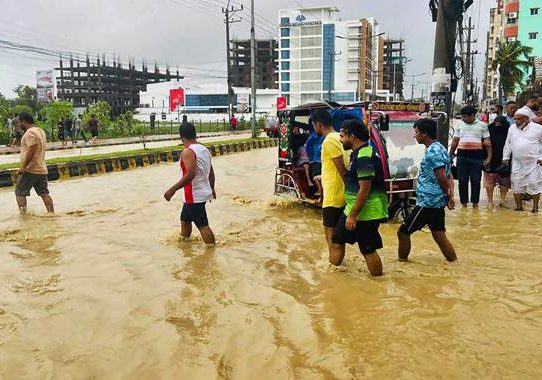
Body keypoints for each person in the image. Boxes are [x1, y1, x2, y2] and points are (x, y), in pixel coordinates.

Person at [329, 119, 386, 276]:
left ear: (352, 136)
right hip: (354, 209)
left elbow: (365, 189)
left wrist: (353, 215)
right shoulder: (359, 153)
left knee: (367, 249)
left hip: (366, 212)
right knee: (337, 239)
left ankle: (378, 283)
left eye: (342, 136)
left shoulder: (364, 157)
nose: (340, 140)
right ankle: (332, 277)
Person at [398, 118, 457, 262]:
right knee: (438, 234)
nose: (414, 135)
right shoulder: (441, 148)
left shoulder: (433, 152)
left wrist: (447, 194)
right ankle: (454, 262)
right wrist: (449, 195)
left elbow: (442, 176)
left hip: (428, 202)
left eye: (416, 132)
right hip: (436, 201)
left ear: (424, 134)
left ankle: (402, 264)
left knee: (403, 232)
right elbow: (449, 175)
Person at [164, 122, 216, 244]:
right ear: (195, 134)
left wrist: (172, 189)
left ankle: (211, 250)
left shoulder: (187, 152)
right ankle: (185, 244)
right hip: (198, 194)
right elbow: (211, 171)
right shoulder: (203, 149)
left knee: (203, 225)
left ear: (181, 137)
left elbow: (190, 174)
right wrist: (212, 189)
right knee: (185, 219)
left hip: (194, 195)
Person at [312, 109, 348, 264]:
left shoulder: (328, 141)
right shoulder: (339, 138)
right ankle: (338, 265)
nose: (314, 129)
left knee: (332, 238)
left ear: (319, 124)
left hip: (334, 197)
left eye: (313, 125)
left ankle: (333, 270)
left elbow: (342, 170)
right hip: (339, 195)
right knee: (338, 239)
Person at [449, 105, 492, 208]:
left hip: (477, 157)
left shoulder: (483, 126)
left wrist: (489, 158)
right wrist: (450, 154)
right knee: (462, 181)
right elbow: (455, 141)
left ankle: (475, 203)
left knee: (476, 180)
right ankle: (464, 204)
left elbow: (487, 143)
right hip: (462, 157)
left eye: (465, 116)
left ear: (472, 115)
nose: (463, 119)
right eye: (462, 116)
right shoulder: (460, 126)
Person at [502, 107, 542, 212]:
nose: (516, 121)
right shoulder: (512, 128)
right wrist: (505, 157)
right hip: (517, 162)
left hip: (534, 163)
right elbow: (508, 143)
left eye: (518, 119)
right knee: (516, 184)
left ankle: (535, 208)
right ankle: (519, 207)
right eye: (515, 118)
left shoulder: (538, 128)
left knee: (534, 184)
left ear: (526, 118)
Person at [15, 112, 54, 213]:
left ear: (24, 121)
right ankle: (51, 214)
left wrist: (23, 167)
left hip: (31, 169)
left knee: (20, 192)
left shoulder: (30, 133)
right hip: (41, 168)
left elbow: (32, 149)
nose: (19, 125)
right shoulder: (40, 131)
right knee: (44, 193)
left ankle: (24, 217)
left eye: (19, 123)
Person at [483, 116, 511, 208]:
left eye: (500, 124)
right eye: (496, 124)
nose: (497, 126)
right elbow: (483, 145)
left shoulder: (509, 132)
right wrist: (485, 159)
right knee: (489, 182)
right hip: (490, 161)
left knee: (504, 182)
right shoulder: (487, 132)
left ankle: (502, 200)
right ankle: (490, 201)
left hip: (505, 161)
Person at [305, 130, 323, 197]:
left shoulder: (313, 136)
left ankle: (320, 191)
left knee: (316, 177)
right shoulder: (323, 135)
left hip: (316, 160)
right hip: (320, 160)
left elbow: (307, 147)